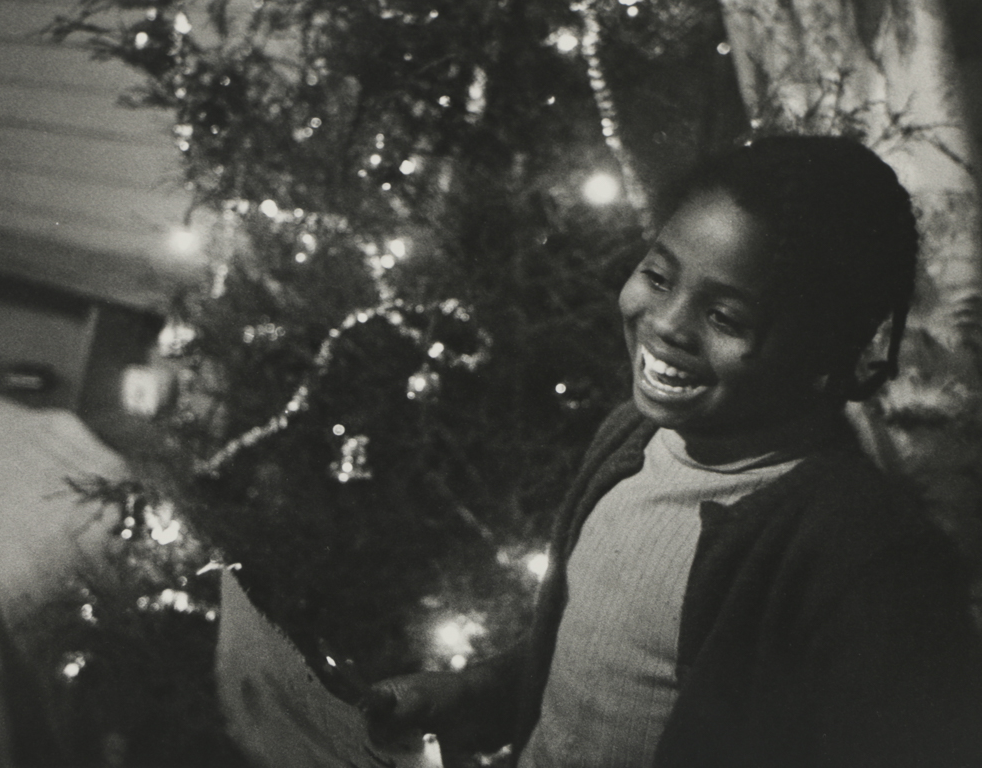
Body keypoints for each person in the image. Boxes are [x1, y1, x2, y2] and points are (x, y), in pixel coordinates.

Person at [363, 136, 982, 767]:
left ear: (828, 349)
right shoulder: (629, 440)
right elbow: (595, 657)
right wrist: (471, 694)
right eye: (658, 277)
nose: (666, 323)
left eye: (725, 318)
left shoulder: (864, 559)